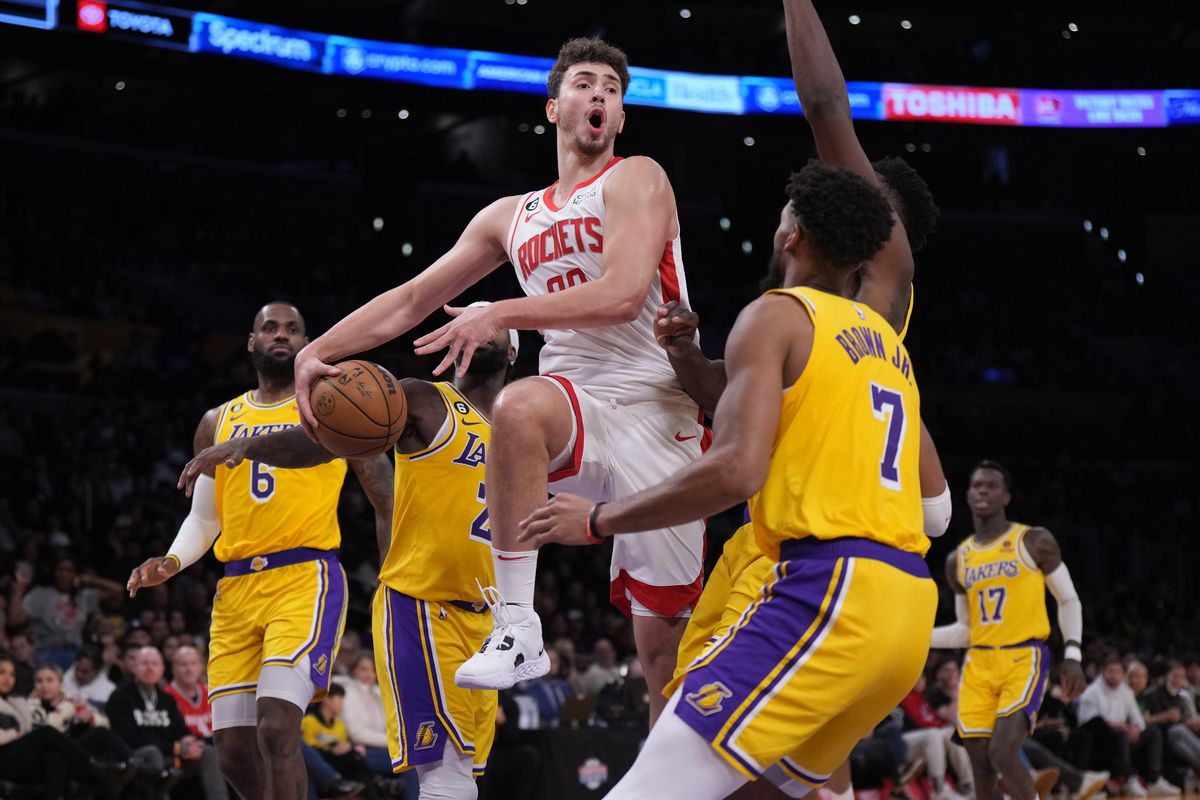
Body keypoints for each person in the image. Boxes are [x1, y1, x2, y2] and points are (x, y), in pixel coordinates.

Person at [292, 37, 706, 723]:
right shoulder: (510, 216)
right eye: (584, 83)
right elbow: (412, 299)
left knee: (663, 652)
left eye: (611, 89)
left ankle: (687, 761)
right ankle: (517, 627)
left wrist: (500, 312)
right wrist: (318, 351)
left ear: (621, 117)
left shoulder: (637, 178)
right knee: (517, 408)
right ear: (553, 108)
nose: (599, 95)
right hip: (576, 405)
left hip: (658, 411)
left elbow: (623, 294)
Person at [520, 160, 933, 799]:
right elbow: (935, 505)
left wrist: (599, 519)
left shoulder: (777, 314)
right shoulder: (884, 340)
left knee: (647, 789)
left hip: (827, 588)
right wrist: (685, 356)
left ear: (792, 235)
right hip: (906, 610)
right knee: (744, 792)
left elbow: (738, 468)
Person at [180, 321, 519, 799]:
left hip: (486, 618)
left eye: (494, 324)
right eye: (470, 320)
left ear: (513, 352)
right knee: (444, 775)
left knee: (462, 776)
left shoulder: (522, 427)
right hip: (425, 605)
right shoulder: (424, 399)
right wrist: (249, 446)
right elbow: (326, 440)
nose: (480, 327)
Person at [127, 301, 394, 800]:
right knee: (232, 753)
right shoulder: (217, 420)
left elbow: (386, 498)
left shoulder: (331, 406)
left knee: (276, 727)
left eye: (293, 329)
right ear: (251, 342)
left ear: (307, 344)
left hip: (304, 578)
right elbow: (205, 518)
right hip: (236, 589)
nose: (282, 335)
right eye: (270, 328)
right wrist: (171, 561)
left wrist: (393, 578)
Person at [928, 460, 1089, 800]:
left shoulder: (1034, 541)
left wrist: (1073, 653)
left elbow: (1068, 599)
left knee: (1002, 751)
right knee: (980, 762)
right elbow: (966, 630)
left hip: (1023, 657)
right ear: (967, 496)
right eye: (976, 485)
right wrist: (917, 637)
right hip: (978, 663)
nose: (982, 490)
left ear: (1006, 496)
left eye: (991, 485)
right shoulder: (958, 560)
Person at [0, 654, 131, 799]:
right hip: (10, 757)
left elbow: (103, 722)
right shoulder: (31, 705)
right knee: (48, 735)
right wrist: (15, 734)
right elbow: (38, 731)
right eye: (39, 681)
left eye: (12, 674)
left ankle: (135, 765)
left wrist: (89, 719)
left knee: (95, 735)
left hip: (54, 752)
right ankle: (97, 768)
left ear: (61, 683)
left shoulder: (18, 702)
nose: (7, 678)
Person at [106, 646, 227, 799]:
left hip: (170, 755)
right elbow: (128, 738)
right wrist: (175, 747)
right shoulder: (120, 696)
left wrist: (190, 742)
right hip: (137, 755)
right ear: (134, 667)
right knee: (153, 752)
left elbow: (180, 730)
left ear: (162, 669)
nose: (150, 668)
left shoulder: (165, 698)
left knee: (208, 752)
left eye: (155, 664)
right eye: (145, 663)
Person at [1074, 657, 1177, 797]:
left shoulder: (1126, 692)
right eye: (1111, 671)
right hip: (1102, 739)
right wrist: (1110, 723)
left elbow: (1138, 718)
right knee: (1119, 733)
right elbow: (1086, 720)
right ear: (1103, 672)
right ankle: (1128, 779)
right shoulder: (1092, 692)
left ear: (1123, 674)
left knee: (1153, 732)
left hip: (1124, 736)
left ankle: (1154, 779)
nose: (1114, 675)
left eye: (1118, 672)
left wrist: (1136, 727)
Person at [8, 556, 124, 670]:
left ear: (75, 574)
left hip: (76, 654)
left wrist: (89, 580)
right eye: (60, 570)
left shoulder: (83, 596)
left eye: (69, 571)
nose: (64, 574)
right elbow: (14, 620)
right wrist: (19, 588)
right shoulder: (40, 594)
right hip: (47, 653)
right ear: (53, 572)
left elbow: (117, 589)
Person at [300, 683, 377, 800]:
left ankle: (376, 786)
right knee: (354, 757)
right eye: (339, 699)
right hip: (322, 763)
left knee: (356, 766)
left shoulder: (340, 725)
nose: (342, 704)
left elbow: (343, 749)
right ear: (326, 700)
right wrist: (333, 750)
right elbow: (311, 753)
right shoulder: (309, 722)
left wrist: (346, 747)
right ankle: (378, 782)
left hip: (338, 763)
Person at [1140, 660, 1200, 774]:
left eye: (1182, 676)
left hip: (1177, 733)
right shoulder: (1153, 694)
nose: (1179, 679)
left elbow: (1180, 719)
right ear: (1167, 676)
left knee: (1183, 743)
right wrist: (1165, 716)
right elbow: (1146, 720)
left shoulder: (1180, 697)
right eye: (1176, 675)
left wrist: (1191, 723)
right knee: (1179, 731)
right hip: (1160, 731)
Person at [163, 645, 212, 740]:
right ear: (174, 668)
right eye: (184, 664)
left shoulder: (210, 692)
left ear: (201, 667)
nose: (189, 669)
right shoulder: (166, 696)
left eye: (194, 663)